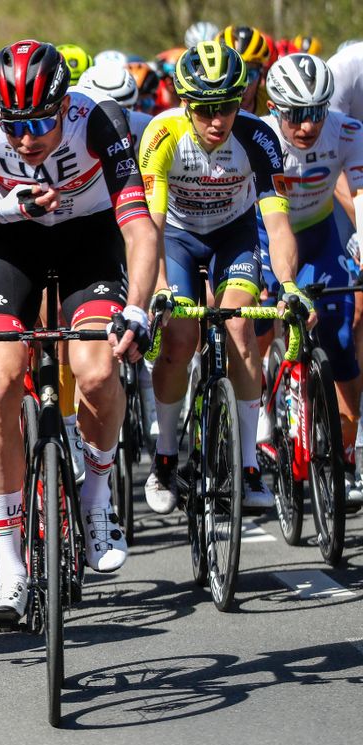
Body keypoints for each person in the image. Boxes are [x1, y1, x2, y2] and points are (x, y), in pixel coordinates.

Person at [0, 40, 158, 622]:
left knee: (97, 371)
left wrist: (140, 309)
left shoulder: (98, 120)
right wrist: (0, 211)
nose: (26, 139)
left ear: (64, 103)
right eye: (14, 125)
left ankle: (96, 501)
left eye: (41, 122)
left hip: (89, 242)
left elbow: (140, 229)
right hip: (11, 242)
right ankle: (9, 558)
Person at [137, 41, 311, 514]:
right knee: (178, 336)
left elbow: (277, 225)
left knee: (239, 327)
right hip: (176, 236)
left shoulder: (259, 138)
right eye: (207, 108)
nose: (218, 120)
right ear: (186, 103)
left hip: (233, 235)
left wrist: (289, 286)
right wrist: (155, 289)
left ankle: (250, 464)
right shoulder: (161, 134)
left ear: (243, 100)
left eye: (228, 106)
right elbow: (148, 227)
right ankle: (167, 458)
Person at [257, 54, 363, 498]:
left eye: (316, 112)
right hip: (263, 232)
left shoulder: (347, 130)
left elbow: (359, 193)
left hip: (319, 236)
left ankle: (346, 452)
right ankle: (262, 406)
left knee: (340, 337)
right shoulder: (259, 135)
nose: (306, 126)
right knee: (259, 323)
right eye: (296, 115)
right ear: (276, 108)